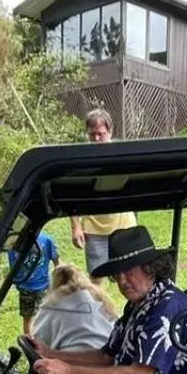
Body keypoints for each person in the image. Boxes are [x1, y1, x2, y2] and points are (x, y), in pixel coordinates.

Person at [32, 226, 187, 374]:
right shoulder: (138, 304)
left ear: (151, 267)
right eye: (118, 274)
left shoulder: (166, 306)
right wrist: (51, 354)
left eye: (128, 271)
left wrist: (68, 373)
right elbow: (106, 357)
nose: (122, 280)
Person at [69, 108, 137, 275]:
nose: (96, 139)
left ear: (110, 132)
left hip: (124, 227)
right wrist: (75, 227)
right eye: (92, 135)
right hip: (94, 230)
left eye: (101, 134)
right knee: (97, 279)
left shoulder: (122, 154)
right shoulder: (79, 159)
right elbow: (72, 194)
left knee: (132, 276)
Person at [30, 263, 118, 351]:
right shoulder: (101, 303)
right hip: (111, 357)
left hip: (74, 359)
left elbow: (38, 343)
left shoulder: (51, 308)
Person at [6, 228, 59, 335]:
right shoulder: (13, 242)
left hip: (45, 286)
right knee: (28, 319)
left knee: (47, 316)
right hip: (26, 289)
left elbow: (57, 263)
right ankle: (30, 345)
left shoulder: (47, 240)